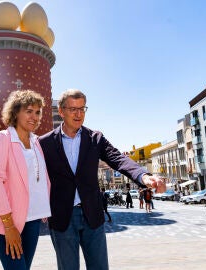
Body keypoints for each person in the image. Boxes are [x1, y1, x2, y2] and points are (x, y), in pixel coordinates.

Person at [38, 89, 166, 270]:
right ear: (61, 111)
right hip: (62, 218)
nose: (78, 114)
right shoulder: (44, 143)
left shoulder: (95, 138)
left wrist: (143, 176)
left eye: (82, 108)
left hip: (92, 215)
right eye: (73, 109)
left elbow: (118, 158)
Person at [0, 90, 51, 270]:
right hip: (8, 220)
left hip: (33, 218)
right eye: (29, 111)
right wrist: (9, 226)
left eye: (37, 112)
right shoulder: (3, 138)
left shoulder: (36, 142)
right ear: (15, 112)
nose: (34, 116)